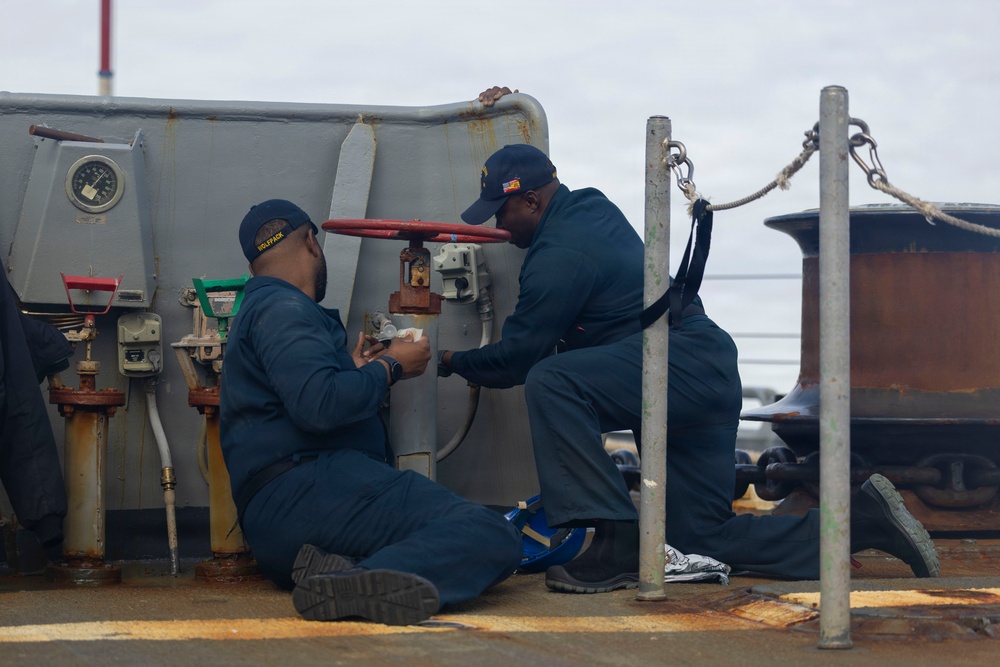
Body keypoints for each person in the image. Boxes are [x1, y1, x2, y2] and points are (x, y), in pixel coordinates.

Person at [438, 140, 939, 593]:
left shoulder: (559, 252)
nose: (498, 226)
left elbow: (517, 360)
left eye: (501, 211)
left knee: (552, 382)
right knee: (697, 537)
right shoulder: (590, 207)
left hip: (675, 364)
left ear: (531, 200)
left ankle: (616, 540)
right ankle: (863, 523)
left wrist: (448, 360)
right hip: (700, 368)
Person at [219, 199, 522, 625]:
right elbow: (318, 406)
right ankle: (357, 582)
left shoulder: (262, 309)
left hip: (280, 529)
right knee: (490, 533)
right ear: (311, 242)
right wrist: (390, 366)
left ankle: (335, 571)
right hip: (310, 490)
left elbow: (304, 395)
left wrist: (353, 372)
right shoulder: (285, 308)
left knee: (417, 540)